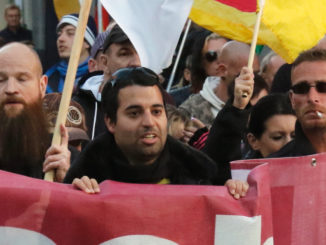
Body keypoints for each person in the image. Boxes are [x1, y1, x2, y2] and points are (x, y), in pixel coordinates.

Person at [64, 67, 248, 198]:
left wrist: (229, 195)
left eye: (156, 111)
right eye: (134, 113)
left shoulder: (199, 177)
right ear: (110, 122)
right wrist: (72, 197)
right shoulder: (85, 184)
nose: (149, 122)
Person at [204, 67, 296, 184]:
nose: (288, 143)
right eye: (277, 137)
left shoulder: (313, 170)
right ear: (253, 141)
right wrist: (237, 108)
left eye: (294, 136)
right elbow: (218, 163)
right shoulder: (239, 180)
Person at [0, 42, 71, 181]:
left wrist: (66, 181)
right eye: (1, 80)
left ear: (42, 86)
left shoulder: (61, 158)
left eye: (22, 79)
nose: (11, 89)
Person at [73, 24, 141, 139]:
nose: (136, 62)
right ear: (104, 63)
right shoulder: (76, 108)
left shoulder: (158, 102)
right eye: (124, 54)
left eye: (140, 53)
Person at [180, 41, 260, 127]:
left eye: (257, 75)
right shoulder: (190, 110)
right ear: (222, 70)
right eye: (244, 75)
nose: (251, 81)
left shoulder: (256, 112)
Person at [271, 49, 326, 157]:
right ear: (292, 99)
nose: (312, 98)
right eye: (301, 88)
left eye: (323, 87)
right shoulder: (275, 167)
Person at [45, 14, 98, 93]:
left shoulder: (98, 77)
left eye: (70, 33)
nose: (60, 39)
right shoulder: (49, 78)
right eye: (59, 34)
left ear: (87, 42)